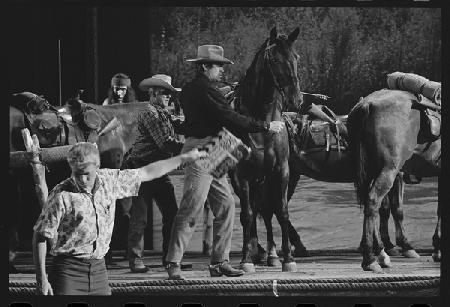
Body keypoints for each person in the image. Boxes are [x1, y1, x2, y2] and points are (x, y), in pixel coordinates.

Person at [164, 45, 285, 280]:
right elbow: (229, 116)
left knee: (227, 204)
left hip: (214, 149)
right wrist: (266, 125)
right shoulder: (204, 89)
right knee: (192, 206)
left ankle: (219, 262)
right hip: (204, 151)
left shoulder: (193, 89)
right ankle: (173, 262)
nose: (221, 70)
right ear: (205, 66)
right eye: (218, 66)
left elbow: (208, 118)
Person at [32, 142, 206, 295]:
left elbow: (148, 172)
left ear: (98, 166)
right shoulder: (61, 194)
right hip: (67, 271)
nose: (82, 180)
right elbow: (40, 235)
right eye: (77, 174)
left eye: (87, 174)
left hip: (99, 271)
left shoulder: (111, 180)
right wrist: (42, 279)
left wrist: (183, 158)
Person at [123, 74, 188, 273]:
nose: (169, 97)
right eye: (165, 93)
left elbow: (178, 125)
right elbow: (165, 143)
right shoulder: (150, 112)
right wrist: (193, 148)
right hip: (140, 169)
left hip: (157, 169)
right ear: (153, 93)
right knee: (140, 216)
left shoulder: (163, 113)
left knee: (171, 213)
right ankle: (135, 259)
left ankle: (169, 258)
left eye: (170, 93)